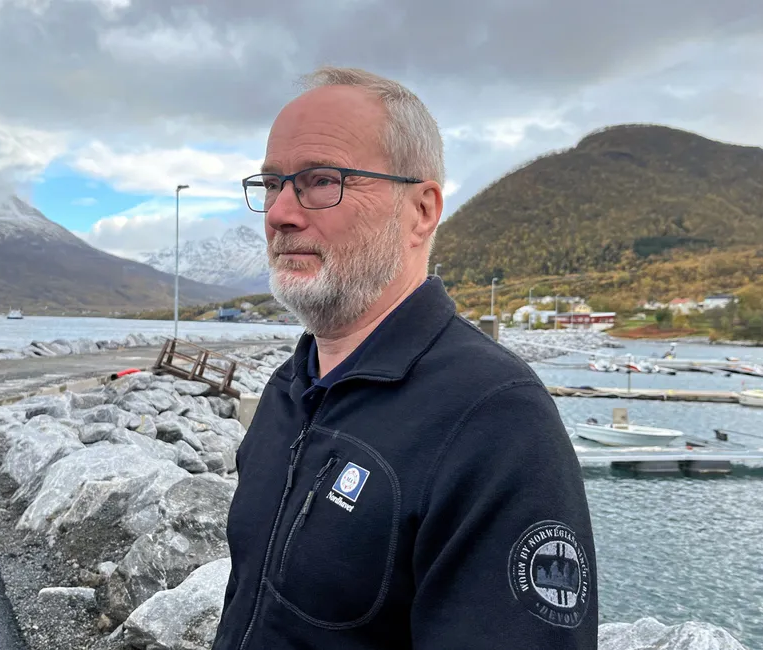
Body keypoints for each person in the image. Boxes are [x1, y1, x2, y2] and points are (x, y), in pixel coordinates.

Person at [212, 66, 598, 649]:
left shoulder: (496, 421)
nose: (279, 214)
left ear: (421, 211)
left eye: (321, 181)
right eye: (272, 184)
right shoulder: (288, 389)